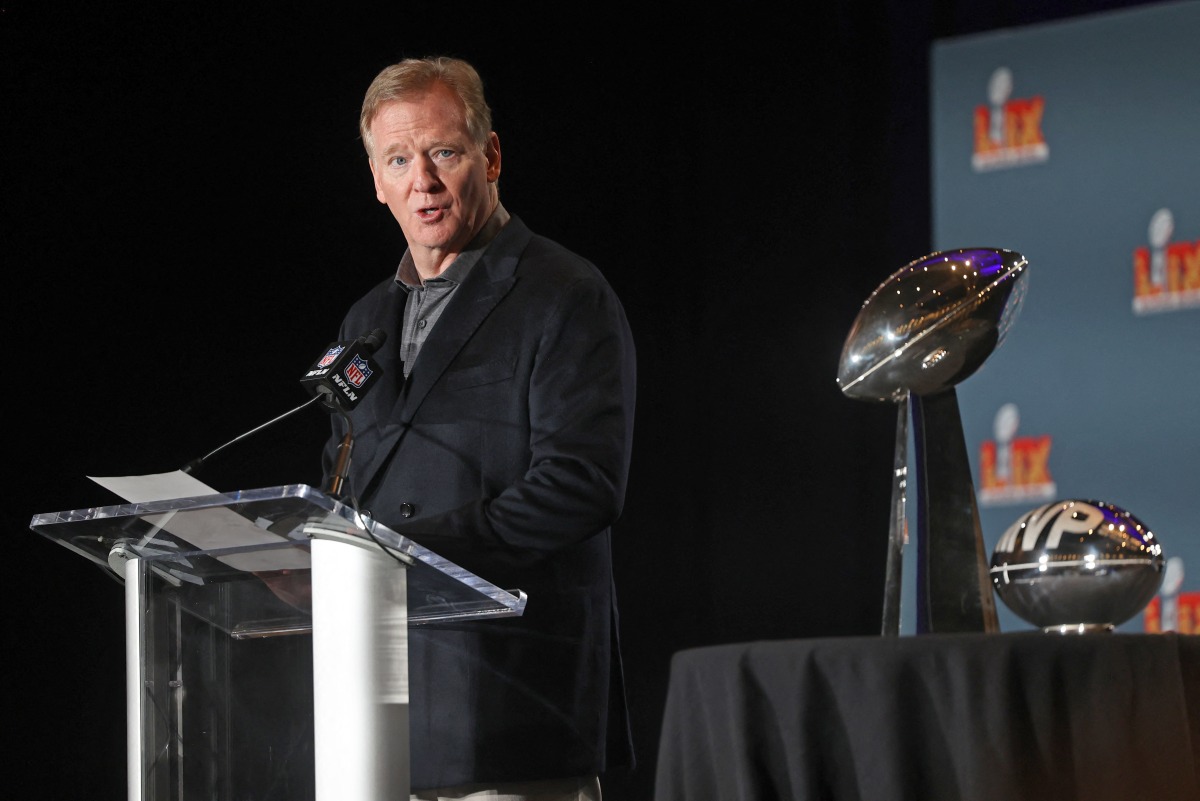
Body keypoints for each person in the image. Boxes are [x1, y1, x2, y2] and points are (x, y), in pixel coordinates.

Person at [320, 56, 637, 800]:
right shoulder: (365, 321)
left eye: (444, 153)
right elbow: (344, 482)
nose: (422, 181)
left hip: (511, 709)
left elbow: (580, 486)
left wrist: (404, 553)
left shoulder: (564, 294)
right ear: (376, 181)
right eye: (398, 159)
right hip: (373, 718)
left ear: (490, 157)